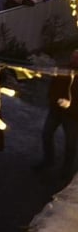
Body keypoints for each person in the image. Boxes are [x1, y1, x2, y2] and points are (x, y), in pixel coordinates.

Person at [33, 51, 78, 181]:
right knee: (46, 134)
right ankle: (48, 160)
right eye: (73, 56)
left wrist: (71, 106)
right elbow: (53, 87)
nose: (74, 59)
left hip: (73, 115)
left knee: (71, 143)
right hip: (56, 110)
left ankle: (66, 170)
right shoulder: (63, 69)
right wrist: (53, 100)